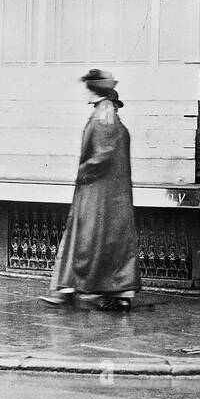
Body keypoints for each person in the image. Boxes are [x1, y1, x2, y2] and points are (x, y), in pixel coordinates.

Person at [43, 69, 140, 312]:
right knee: (102, 237)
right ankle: (84, 289)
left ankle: (72, 288)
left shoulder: (103, 114)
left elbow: (103, 152)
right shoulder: (107, 113)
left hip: (98, 190)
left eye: (88, 87)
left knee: (88, 236)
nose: (85, 92)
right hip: (110, 191)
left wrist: (84, 171)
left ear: (95, 90)